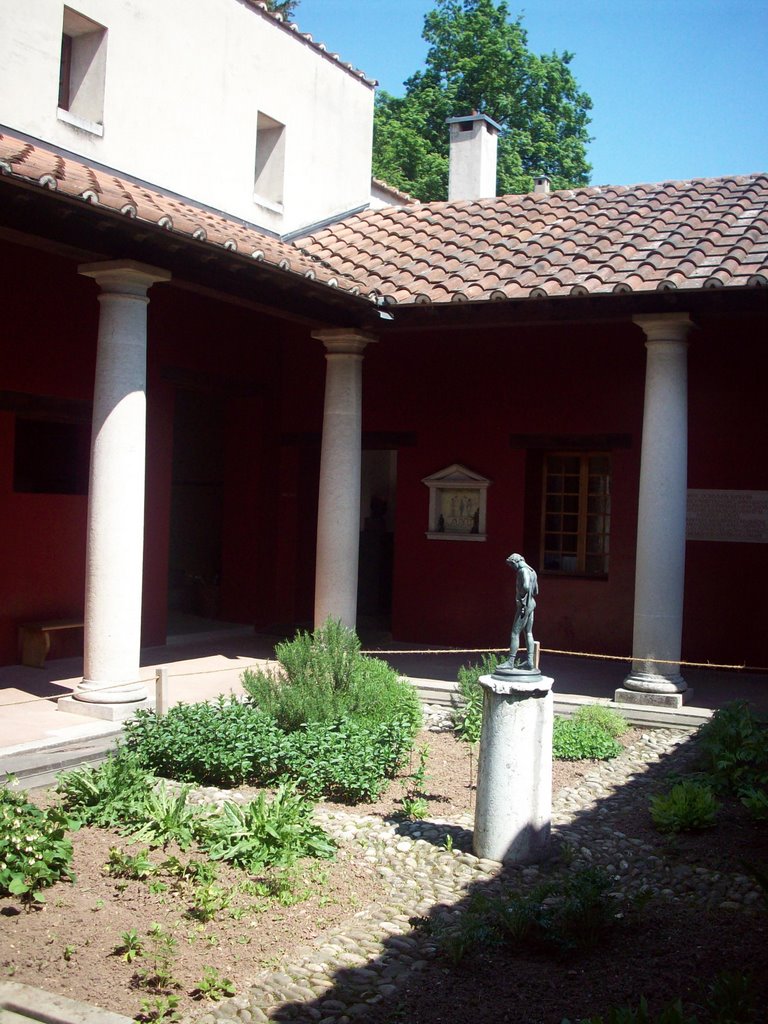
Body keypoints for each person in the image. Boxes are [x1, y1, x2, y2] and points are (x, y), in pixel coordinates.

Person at [506, 553, 538, 670]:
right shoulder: (532, 571)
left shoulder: (522, 571)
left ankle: (510, 661)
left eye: (512, 565)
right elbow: (535, 591)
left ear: (515, 562)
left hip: (524, 606)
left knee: (515, 633)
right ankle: (530, 661)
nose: (512, 568)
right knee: (528, 632)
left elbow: (526, 586)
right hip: (532, 604)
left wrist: (521, 599)